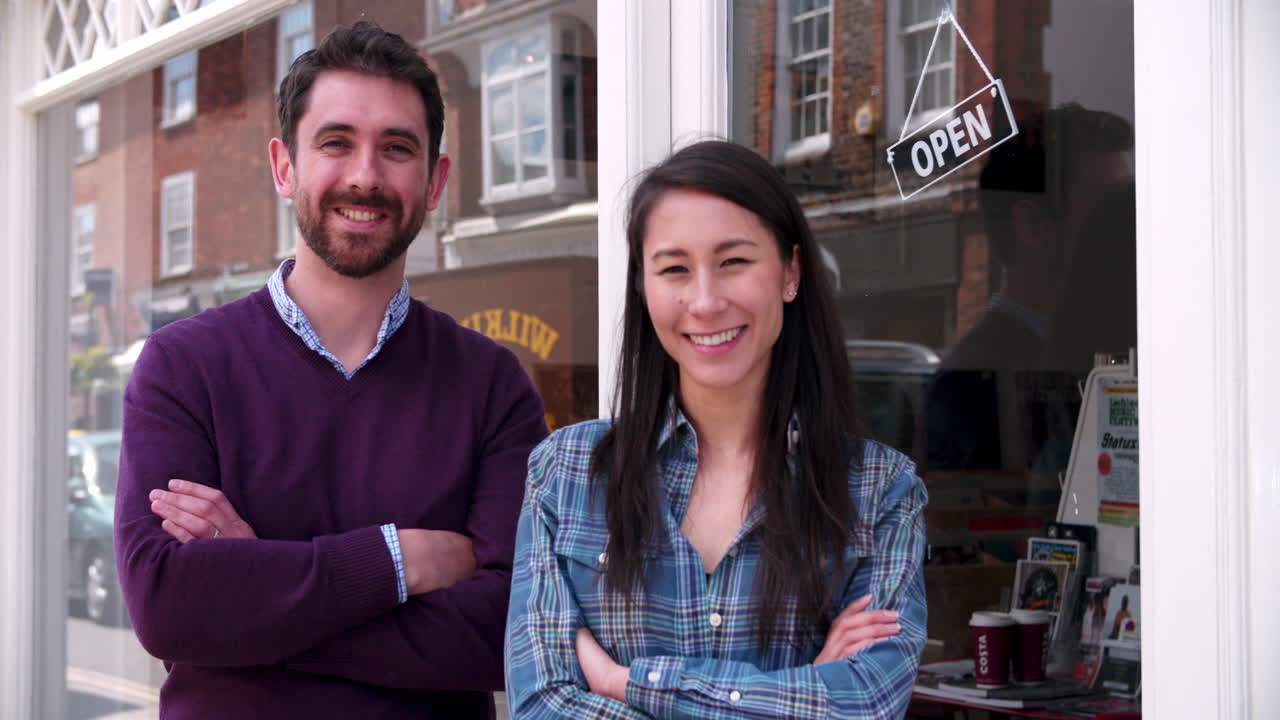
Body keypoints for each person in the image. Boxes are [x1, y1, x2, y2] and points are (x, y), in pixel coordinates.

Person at [114, 22, 547, 719]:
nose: (365, 176)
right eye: (336, 142)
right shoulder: (183, 367)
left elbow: (506, 635)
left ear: (435, 181)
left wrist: (256, 600)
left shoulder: (493, 386)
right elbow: (167, 607)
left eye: (397, 148)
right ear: (285, 167)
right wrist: (396, 560)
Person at [504, 140, 927, 719]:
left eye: (733, 262)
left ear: (790, 272)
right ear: (642, 287)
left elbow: (866, 704)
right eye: (675, 269)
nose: (704, 302)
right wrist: (802, 689)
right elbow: (542, 704)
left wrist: (628, 683)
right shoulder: (566, 473)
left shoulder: (878, 490)